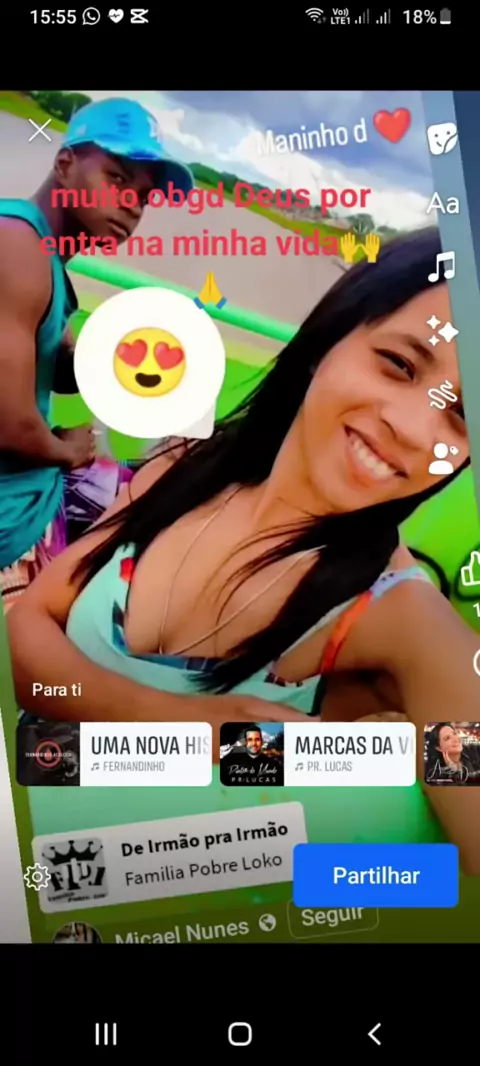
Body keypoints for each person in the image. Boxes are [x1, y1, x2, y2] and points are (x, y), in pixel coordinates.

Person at [7, 228, 480, 872]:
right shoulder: (182, 465)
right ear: (327, 341)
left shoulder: (399, 616)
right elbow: (32, 623)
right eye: (399, 364)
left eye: (461, 416)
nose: (415, 427)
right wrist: (180, 723)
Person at [0, 96, 193, 608]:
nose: (132, 204)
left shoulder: (41, 253)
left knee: (164, 476)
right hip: (12, 520)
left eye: (144, 197)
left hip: (30, 489)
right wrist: (68, 450)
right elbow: (9, 425)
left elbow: (52, 364)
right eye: (117, 178)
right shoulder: (17, 247)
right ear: (65, 164)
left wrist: (117, 356)